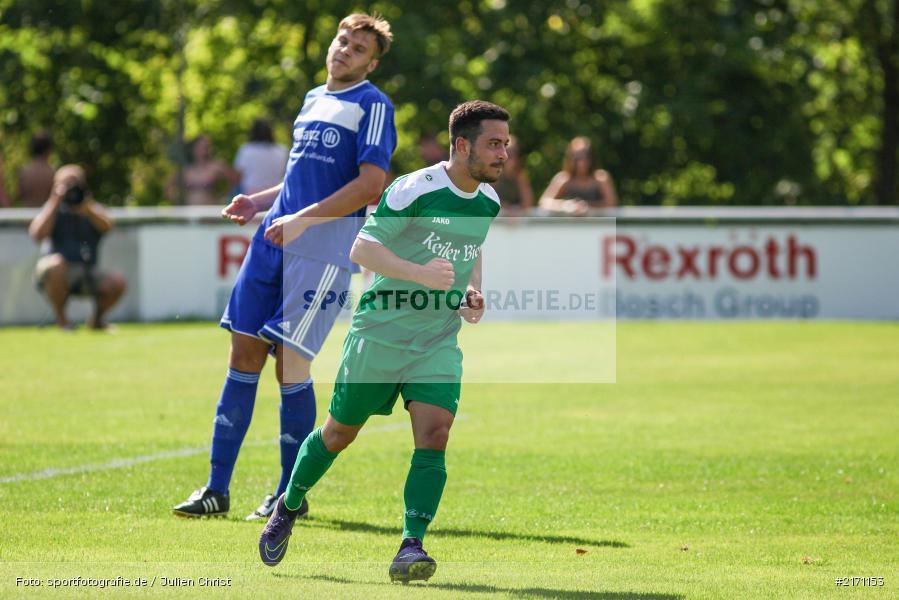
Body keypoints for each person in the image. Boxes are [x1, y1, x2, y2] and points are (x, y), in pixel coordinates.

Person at [257, 100, 510, 584]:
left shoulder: (488, 202)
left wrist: (472, 292)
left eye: (506, 144)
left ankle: (410, 545)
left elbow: (470, 250)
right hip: (379, 333)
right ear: (462, 145)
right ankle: (288, 505)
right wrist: (420, 274)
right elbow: (363, 249)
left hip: (436, 338)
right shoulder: (414, 188)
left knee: (435, 434)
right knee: (338, 433)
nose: (504, 153)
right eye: (494, 143)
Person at [172, 13, 397, 522]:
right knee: (243, 352)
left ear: (372, 62)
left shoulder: (373, 105)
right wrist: (258, 201)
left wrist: (301, 220)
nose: (345, 50)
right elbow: (299, 177)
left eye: (358, 48)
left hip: (320, 250)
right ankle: (216, 490)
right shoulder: (313, 98)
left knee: (290, 366)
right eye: (343, 40)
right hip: (273, 237)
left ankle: (287, 495)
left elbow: (369, 186)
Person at [28, 165, 127, 329]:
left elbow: (108, 226)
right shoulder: (53, 209)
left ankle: (96, 321)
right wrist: (55, 201)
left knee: (118, 282)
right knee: (56, 265)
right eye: (65, 185)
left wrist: (87, 209)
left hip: (86, 271)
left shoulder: (90, 208)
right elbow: (37, 234)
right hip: (55, 273)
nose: (70, 190)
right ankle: (63, 321)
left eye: (74, 184)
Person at [539, 136, 618, 215]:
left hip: (596, 225)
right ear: (570, 158)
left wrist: (588, 206)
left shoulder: (600, 178)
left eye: (585, 156)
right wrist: (566, 206)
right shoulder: (564, 178)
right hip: (571, 226)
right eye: (577, 157)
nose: (581, 162)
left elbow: (612, 203)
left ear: (592, 158)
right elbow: (544, 202)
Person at [167, 134, 237, 205]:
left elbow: (235, 179)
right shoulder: (185, 170)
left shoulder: (215, 166)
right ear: (193, 149)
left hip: (209, 211)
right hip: (189, 212)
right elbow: (168, 187)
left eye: (206, 147)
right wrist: (178, 200)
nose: (203, 150)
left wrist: (225, 198)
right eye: (200, 147)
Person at [234, 119, 289, 195]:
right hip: (275, 194)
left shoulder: (246, 150)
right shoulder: (282, 150)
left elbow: (238, 176)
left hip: (250, 194)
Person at [491, 135, 534, 215]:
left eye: (514, 154)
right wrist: (506, 208)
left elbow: (528, 203)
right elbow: (488, 199)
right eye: (509, 153)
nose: (510, 158)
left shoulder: (520, 176)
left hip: (516, 219)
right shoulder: (493, 173)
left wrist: (515, 210)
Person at [18, 131, 55, 208]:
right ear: (48, 150)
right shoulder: (51, 173)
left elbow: (20, 195)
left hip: (26, 217)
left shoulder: (24, 172)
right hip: (47, 217)